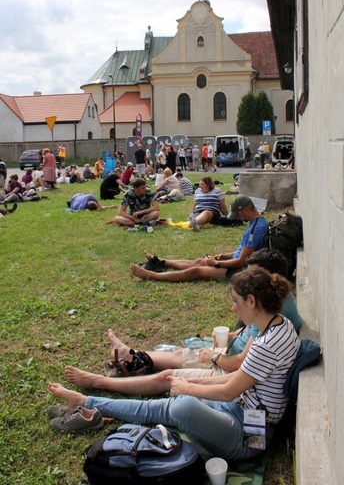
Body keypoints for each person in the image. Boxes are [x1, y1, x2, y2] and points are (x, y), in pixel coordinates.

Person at [48, 267, 301, 462]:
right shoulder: (278, 324)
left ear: (252, 301)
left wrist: (189, 389)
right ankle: (86, 402)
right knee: (170, 402)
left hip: (252, 435)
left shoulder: (267, 343)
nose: (234, 308)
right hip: (242, 407)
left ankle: (90, 405)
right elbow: (236, 381)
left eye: (236, 301)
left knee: (181, 407)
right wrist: (190, 383)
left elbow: (229, 390)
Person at [62, 248, 303, 398]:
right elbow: (247, 346)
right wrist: (226, 341)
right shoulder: (273, 314)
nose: (232, 308)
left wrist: (201, 373)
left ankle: (102, 379)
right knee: (179, 356)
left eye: (253, 275)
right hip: (230, 367)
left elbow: (235, 381)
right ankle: (129, 353)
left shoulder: (272, 320)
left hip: (231, 372)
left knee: (167, 376)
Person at [130, 194, 268, 281]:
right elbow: (244, 250)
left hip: (238, 269)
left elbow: (242, 261)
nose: (237, 218)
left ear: (245, 210)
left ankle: (150, 275)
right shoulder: (255, 224)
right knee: (198, 261)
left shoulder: (256, 229)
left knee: (195, 271)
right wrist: (224, 255)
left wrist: (217, 263)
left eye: (237, 215)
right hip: (234, 263)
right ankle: (161, 261)